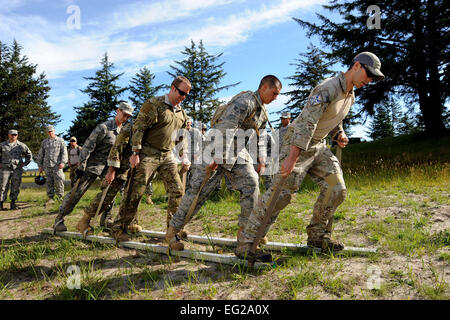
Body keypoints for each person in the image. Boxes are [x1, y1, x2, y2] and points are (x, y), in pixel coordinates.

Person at [235, 52, 385, 261]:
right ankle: (247, 245)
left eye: (372, 78)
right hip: (296, 144)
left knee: (336, 188)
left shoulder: (350, 94)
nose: (369, 81)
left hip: (318, 148)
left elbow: (332, 118)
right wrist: (291, 158)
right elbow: (307, 122)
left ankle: (318, 237)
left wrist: (338, 133)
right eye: (369, 75)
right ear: (357, 66)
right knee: (281, 194)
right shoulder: (329, 88)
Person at [166, 75, 282, 251]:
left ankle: (245, 234)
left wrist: (262, 159)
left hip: (236, 153)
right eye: (274, 93)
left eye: (278, 95)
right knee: (198, 192)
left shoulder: (262, 111)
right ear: (263, 88)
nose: (276, 98)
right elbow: (226, 127)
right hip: (215, 148)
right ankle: (173, 230)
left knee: (251, 183)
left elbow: (261, 136)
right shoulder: (246, 101)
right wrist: (217, 157)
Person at [109, 76, 190, 242]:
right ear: (173, 88)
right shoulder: (154, 104)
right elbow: (139, 127)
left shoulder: (182, 114)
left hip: (167, 155)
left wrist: (184, 156)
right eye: (182, 93)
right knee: (135, 192)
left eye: (187, 95)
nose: (184, 97)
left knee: (177, 190)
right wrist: (135, 153)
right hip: (147, 153)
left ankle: (172, 229)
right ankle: (119, 228)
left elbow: (181, 137)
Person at [53, 102, 133, 232]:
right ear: (118, 111)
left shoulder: (123, 131)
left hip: (108, 167)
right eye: (124, 115)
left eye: (128, 117)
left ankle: (106, 219)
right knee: (77, 192)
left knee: (109, 192)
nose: (125, 118)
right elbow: (88, 146)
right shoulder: (104, 128)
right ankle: (60, 219)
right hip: (92, 165)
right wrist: (82, 164)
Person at [76, 121, 141, 235]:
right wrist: (111, 170)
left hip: (136, 168)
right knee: (108, 194)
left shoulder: (157, 129)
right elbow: (116, 148)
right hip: (121, 167)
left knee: (134, 195)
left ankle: (129, 222)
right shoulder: (132, 128)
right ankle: (85, 221)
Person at [0, 129, 32, 210]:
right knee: (2, 186)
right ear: (8, 135)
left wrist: (25, 163)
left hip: (17, 169)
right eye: (12, 134)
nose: (14, 136)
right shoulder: (2, 145)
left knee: (16, 186)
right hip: (5, 168)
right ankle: (0, 204)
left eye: (15, 135)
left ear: (17, 135)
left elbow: (29, 154)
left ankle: (13, 203)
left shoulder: (21, 145)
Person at [36, 125, 68, 204]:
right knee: (49, 182)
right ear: (47, 132)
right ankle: (51, 198)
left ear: (54, 131)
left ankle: (60, 197)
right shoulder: (44, 142)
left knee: (59, 181)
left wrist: (63, 162)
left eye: (51, 131)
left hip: (57, 166)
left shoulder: (60, 141)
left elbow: (64, 152)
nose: (50, 133)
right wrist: (40, 165)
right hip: (47, 166)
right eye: (49, 131)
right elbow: (41, 154)